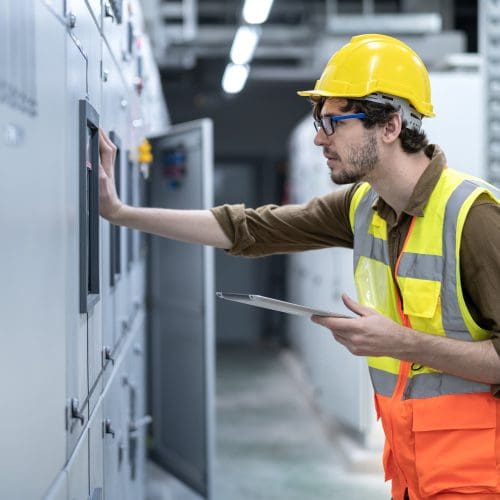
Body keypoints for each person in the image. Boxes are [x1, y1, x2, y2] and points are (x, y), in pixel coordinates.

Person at [99, 34, 500, 500]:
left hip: (481, 476)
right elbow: (251, 228)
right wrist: (122, 214)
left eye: (334, 122)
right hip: (416, 474)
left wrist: (401, 343)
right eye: (318, 121)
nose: (318, 138)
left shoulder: (474, 217)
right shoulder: (363, 206)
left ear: (390, 126)